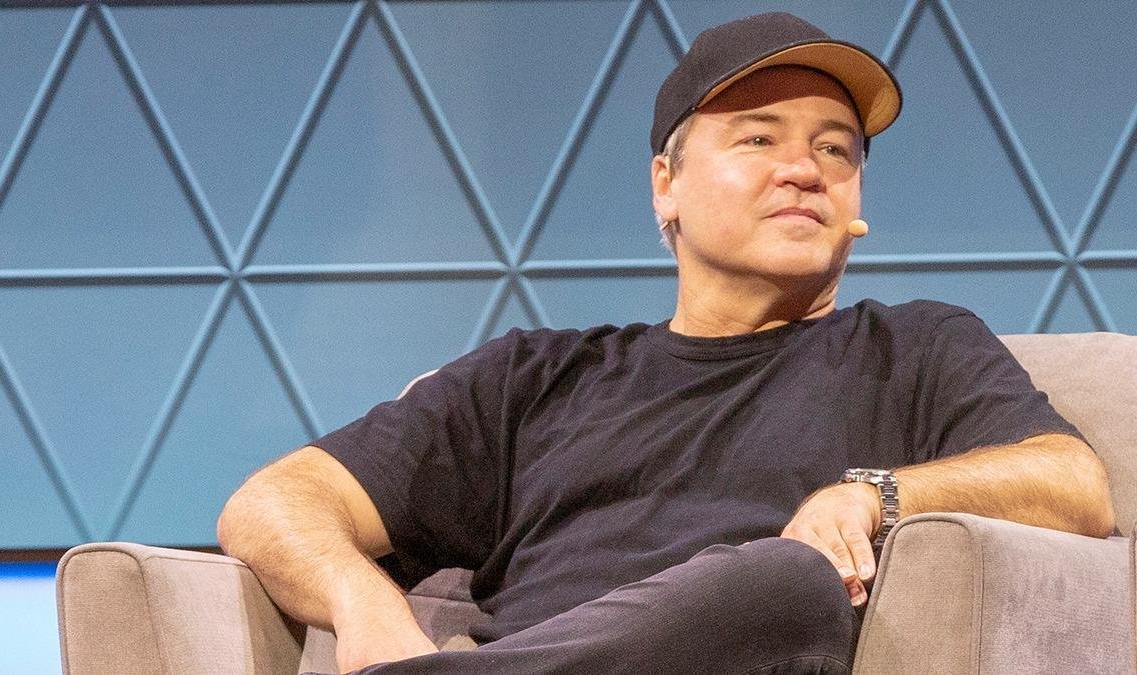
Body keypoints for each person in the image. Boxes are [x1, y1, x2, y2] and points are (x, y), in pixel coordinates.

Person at [217, 12, 1115, 674]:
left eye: (837, 151)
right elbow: (272, 502)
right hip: (542, 650)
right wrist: (363, 600)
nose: (804, 169)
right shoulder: (534, 377)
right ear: (666, 185)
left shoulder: (913, 346)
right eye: (758, 139)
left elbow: (1074, 484)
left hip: (758, 643)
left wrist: (874, 493)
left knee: (787, 585)